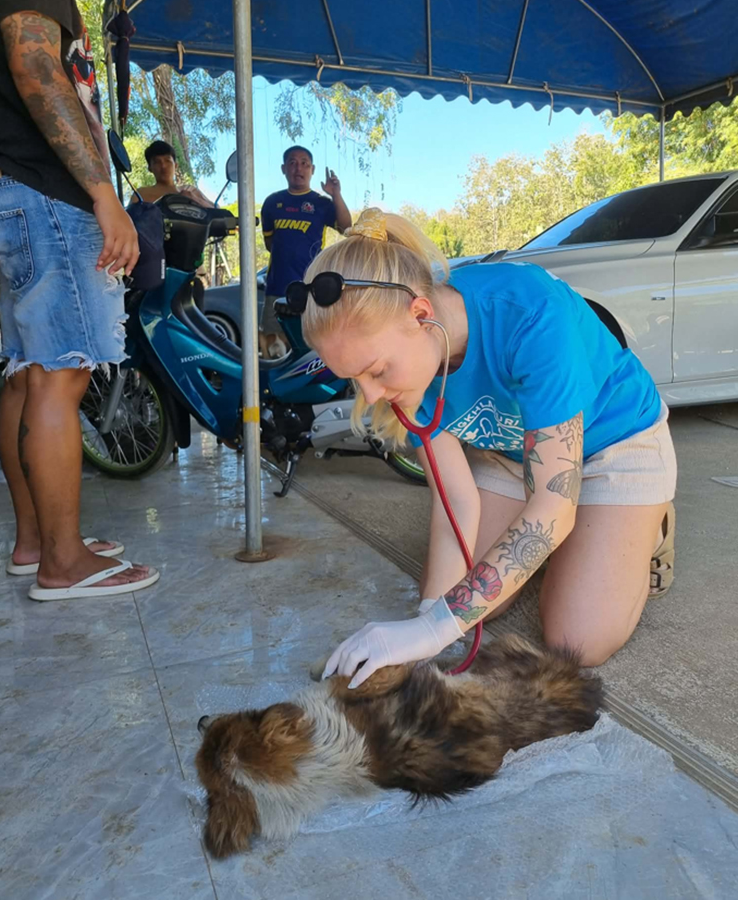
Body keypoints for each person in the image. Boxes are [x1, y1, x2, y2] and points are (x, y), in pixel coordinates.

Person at [292, 208, 677, 689]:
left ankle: (646, 526)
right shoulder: (410, 363)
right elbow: (455, 499)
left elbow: (553, 503)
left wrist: (435, 629)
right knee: (463, 604)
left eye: (376, 371)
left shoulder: (531, 314)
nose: (370, 396)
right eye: (354, 379)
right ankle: (584, 545)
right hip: (511, 450)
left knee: (576, 640)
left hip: (612, 443)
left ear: (421, 315)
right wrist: (429, 623)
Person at [0, 0, 159, 599]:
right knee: (61, 374)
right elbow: (37, 66)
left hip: (11, 189)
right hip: (45, 191)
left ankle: (37, 541)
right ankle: (63, 562)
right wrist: (102, 194)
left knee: (29, 374)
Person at [260, 145, 352, 353]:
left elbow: (346, 228)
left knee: (311, 350)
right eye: (292, 163)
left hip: (312, 290)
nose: (298, 168)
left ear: (312, 170)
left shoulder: (321, 203)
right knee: (273, 349)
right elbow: (269, 244)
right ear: (283, 169)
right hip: (276, 289)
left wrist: (336, 195)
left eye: (304, 164)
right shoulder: (272, 203)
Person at [131, 139, 213, 208]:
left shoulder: (190, 190)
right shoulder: (141, 194)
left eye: (168, 161)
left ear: (175, 165)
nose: (163, 166)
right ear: (150, 168)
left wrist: (194, 199)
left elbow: (216, 211)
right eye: (157, 162)